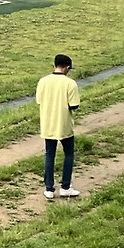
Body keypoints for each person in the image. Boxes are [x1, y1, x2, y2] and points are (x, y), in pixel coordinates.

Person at [36, 53, 81, 199]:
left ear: (54, 65)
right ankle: (65, 187)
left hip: (48, 124)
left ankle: (49, 189)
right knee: (69, 154)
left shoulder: (43, 81)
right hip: (64, 125)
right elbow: (74, 105)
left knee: (50, 154)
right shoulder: (70, 83)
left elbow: (39, 101)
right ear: (67, 67)